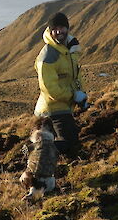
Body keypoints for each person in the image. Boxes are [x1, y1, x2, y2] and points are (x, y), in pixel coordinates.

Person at [34, 12, 87, 158]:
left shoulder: (69, 50)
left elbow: (74, 78)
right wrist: (73, 96)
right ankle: (33, 150)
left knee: (69, 140)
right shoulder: (48, 56)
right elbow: (49, 89)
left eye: (62, 27)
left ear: (67, 28)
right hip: (53, 108)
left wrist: (81, 96)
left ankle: (39, 146)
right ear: (50, 31)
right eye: (55, 28)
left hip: (63, 106)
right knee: (70, 143)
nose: (58, 31)